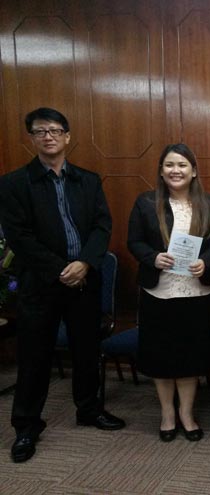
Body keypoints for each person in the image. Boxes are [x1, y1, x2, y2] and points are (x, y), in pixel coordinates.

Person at [0, 107, 125, 463]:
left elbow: (102, 226)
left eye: (55, 130)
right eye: (40, 131)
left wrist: (84, 263)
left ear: (68, 137)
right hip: (40, 284)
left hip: (84, 280)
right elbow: (19, 237)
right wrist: (60, 269)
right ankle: (26, 426)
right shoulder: (13, 184)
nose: (49, 136)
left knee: (86, 350)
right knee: (35, 357)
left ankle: (89, 409)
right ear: (32, 139)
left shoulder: (88, 179)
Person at [127, 143, 210, 442]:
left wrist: (204, 262)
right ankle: (168, 413)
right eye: (169, 165)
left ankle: (187, 413)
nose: (175, 170)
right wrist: (152, 257)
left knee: (190, 356)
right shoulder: (145, 203)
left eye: (182, 165)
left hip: (196, 292)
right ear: (161, 170)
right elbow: (134, 241)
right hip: (160, 293)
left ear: (193, 171)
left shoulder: (209, 203)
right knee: (161, 356)